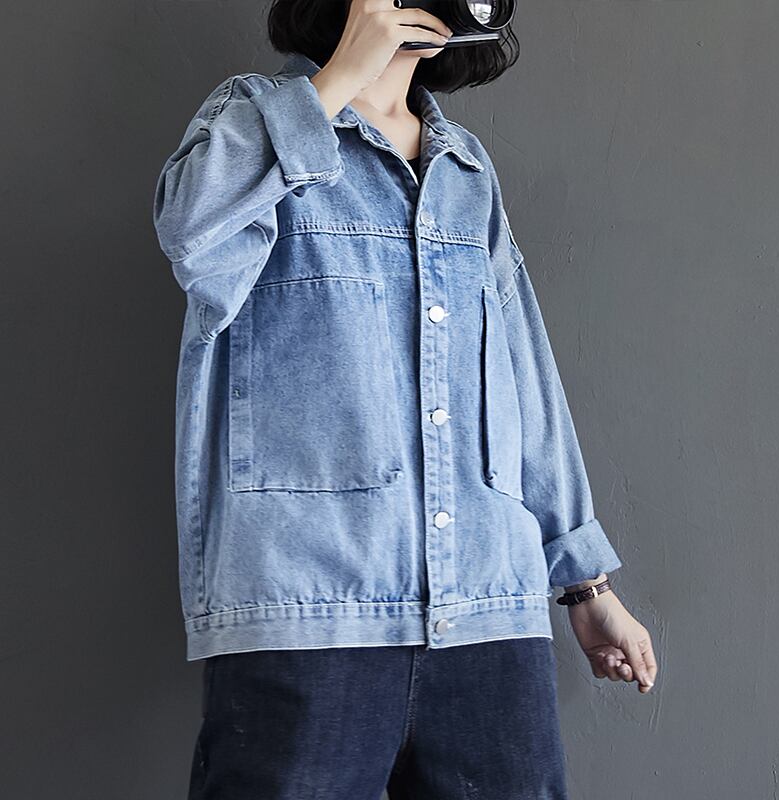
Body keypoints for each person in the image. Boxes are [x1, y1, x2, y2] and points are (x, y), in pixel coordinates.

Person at [152, 1, 658, 797]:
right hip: (312, 608)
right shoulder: (252, 115)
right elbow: (190, 231)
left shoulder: (465, 166)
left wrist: (586, 584)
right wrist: (337, 80)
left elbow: (523, 369)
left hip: (490, 607)